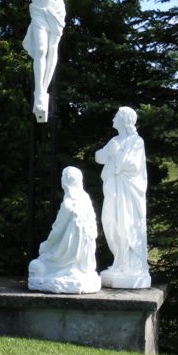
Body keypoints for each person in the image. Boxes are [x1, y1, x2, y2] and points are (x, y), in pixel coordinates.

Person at [95, 106, 151, 288]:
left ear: (124, 120)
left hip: (129, 192)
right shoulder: (114, 140)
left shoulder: (136, 141)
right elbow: (99, 156)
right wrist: (111, 154)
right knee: (110, 221)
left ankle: (130, 265)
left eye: (116, 116)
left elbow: (128, 164)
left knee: (127, 224)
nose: (113, 118)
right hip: (113, 189)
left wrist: (113, 155)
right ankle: (119, 261)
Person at [28, 166, 101, 294]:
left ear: (65, 181)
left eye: (62, 177)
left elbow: (57, 230)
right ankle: (74, 270)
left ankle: (67, 270)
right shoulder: (85, 198)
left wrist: (46, 245)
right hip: (84, 252)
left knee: (40, 262)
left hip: (68, 252)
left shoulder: (69, 203)